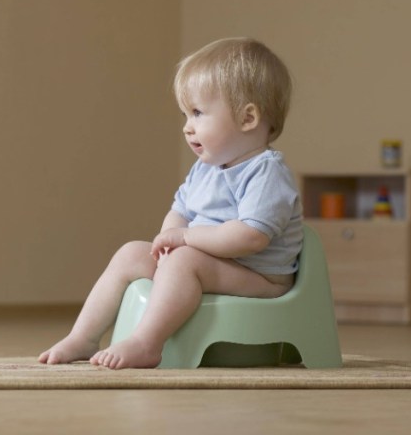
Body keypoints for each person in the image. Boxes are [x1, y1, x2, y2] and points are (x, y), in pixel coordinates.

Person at [38, 37, 303, 370]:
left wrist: (185, 240)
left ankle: (147, 343)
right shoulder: (205, 168)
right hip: (209, 264)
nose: (186, 127)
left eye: (197, 113)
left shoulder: (266, 171)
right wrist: (168, 241)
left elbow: (251, 237)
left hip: (261, 279)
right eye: (185, 114)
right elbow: (180, 211)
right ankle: (83, 337)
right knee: (131, 253)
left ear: (247, 118)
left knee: (183, 261)